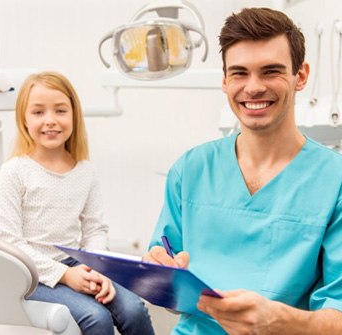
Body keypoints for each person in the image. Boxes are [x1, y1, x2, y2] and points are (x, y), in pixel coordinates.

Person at [144, 7, 342, 335]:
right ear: (224, 81)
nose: (253, 87)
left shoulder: (333, 180)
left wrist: (280, 321)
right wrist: (158, 279)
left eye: (270, 72)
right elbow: (172, 294)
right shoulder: (191, 170)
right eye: (239, 73)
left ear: (301, 76)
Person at [0, 71, 155, 335]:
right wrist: (65, 275)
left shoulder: (85, 171)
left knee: (134, 310)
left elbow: (94, 230)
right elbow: (11, 242)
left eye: (60, 111)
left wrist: (98, 269)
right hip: (33, 275)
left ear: (73, 115)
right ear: (23, 118)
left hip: (77, 264)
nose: (50, 121)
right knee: (96, 318)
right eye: (38, 112)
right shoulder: (15, 171)